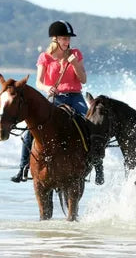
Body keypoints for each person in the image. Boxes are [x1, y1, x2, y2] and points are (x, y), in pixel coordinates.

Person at [11, 20, 104, 185]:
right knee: (32, 129)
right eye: (63, 38)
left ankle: (97, 165)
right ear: (54, 39)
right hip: (55, 97)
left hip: (75, 96)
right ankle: (23, 167)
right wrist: (48, 88)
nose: (67, 41)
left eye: (68, 38)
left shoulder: (76, 53)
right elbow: (39, 82)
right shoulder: (44, 57)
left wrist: (74, 62)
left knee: (89, 124)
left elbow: (83, 79)